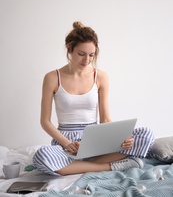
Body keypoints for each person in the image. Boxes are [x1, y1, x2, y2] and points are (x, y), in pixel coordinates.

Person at [33, 21, 154, 176]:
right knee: (42, 155)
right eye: (81, 54)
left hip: (95, 138)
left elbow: (105, 119)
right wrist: (67, 143)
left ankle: (76, 166)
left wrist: (122, 138)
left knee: (146, 135)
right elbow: (45, 121)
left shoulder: (100, 76)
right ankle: (109, 166)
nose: (87, 60)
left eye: (91, 55)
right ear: (69, 49)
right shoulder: (52, 77)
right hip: (66, 143)